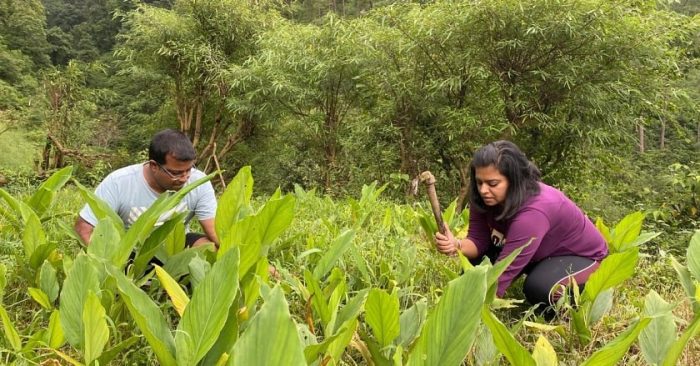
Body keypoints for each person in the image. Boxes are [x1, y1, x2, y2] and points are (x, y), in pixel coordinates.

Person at [435, 140, 608, 308]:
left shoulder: (533, 213)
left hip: (583, 258)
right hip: (538, 252)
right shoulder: (484, 198)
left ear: (514, 179)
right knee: (476, 267)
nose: (483, 190)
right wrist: (455, 245)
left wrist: (471, 309)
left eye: (492, 183)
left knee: (540, 289)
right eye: (479, 182)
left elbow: (503, 274)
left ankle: (579, 296)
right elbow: (478, 242)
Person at [75, 129, 218, 249]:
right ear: (154, 166)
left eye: (188, 170)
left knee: (211, 247)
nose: (184, 178)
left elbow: (215, 230)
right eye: (176, 173)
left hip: (174, 248)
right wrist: (111, 267)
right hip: (130, 248)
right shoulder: (119, 182)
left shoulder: (199, 181)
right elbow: (84, 229)